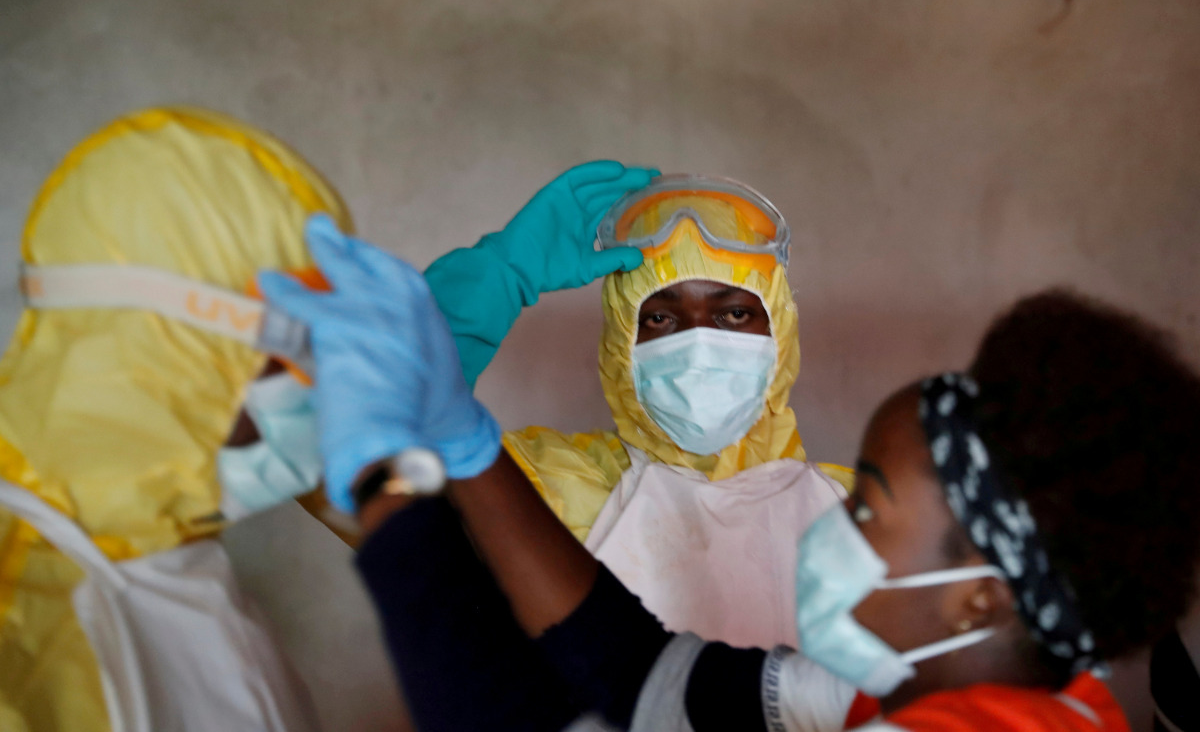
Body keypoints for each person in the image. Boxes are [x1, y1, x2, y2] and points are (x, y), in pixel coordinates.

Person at [262, 217, 1200, 731]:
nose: (838, 527)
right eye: (662, 315)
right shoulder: (1010, 688)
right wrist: (464, 443)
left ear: (978, 598)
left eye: (868, 507)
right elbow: (657, 678)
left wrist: (395, 506)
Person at [0, 108, 350, 731]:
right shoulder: (32, 648)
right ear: (179, 365)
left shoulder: (165, 556)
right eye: (295, 363)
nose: (323, 395)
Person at [423, 165, 851, 647]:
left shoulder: (865, 514)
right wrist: (495, 278)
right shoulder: (551, 490)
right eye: (661, 318)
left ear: (781, 331)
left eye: (734, 313)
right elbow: (357, 458)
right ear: (621, 340)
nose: (699, 346)